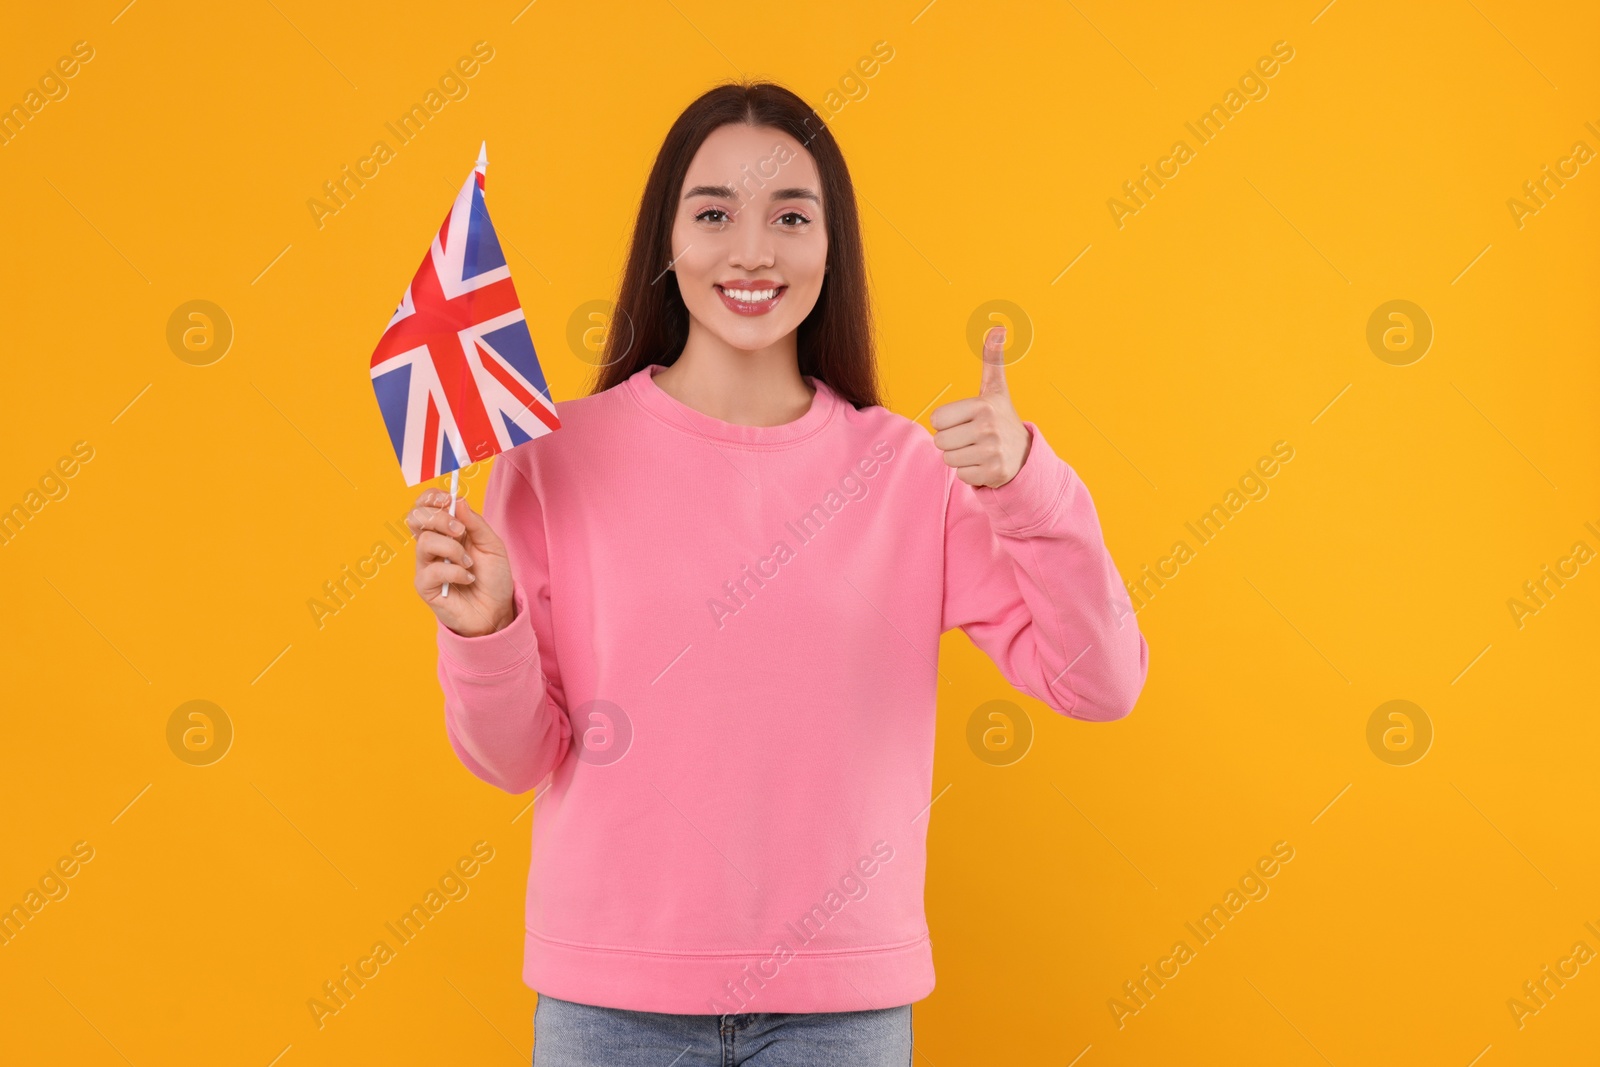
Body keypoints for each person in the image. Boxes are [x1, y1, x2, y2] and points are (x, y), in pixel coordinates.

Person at [405, 79, 1149, 1067]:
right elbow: (510, 758)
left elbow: (1101, 682)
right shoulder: (552, 458)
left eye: (790, 216)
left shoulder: (908, 473)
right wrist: (484, 627)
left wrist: (1026, 488)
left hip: (838, 1012)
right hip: (609, 1003)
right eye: (713, 212)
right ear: (666, 239)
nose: (752, 249)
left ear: (830, 247)